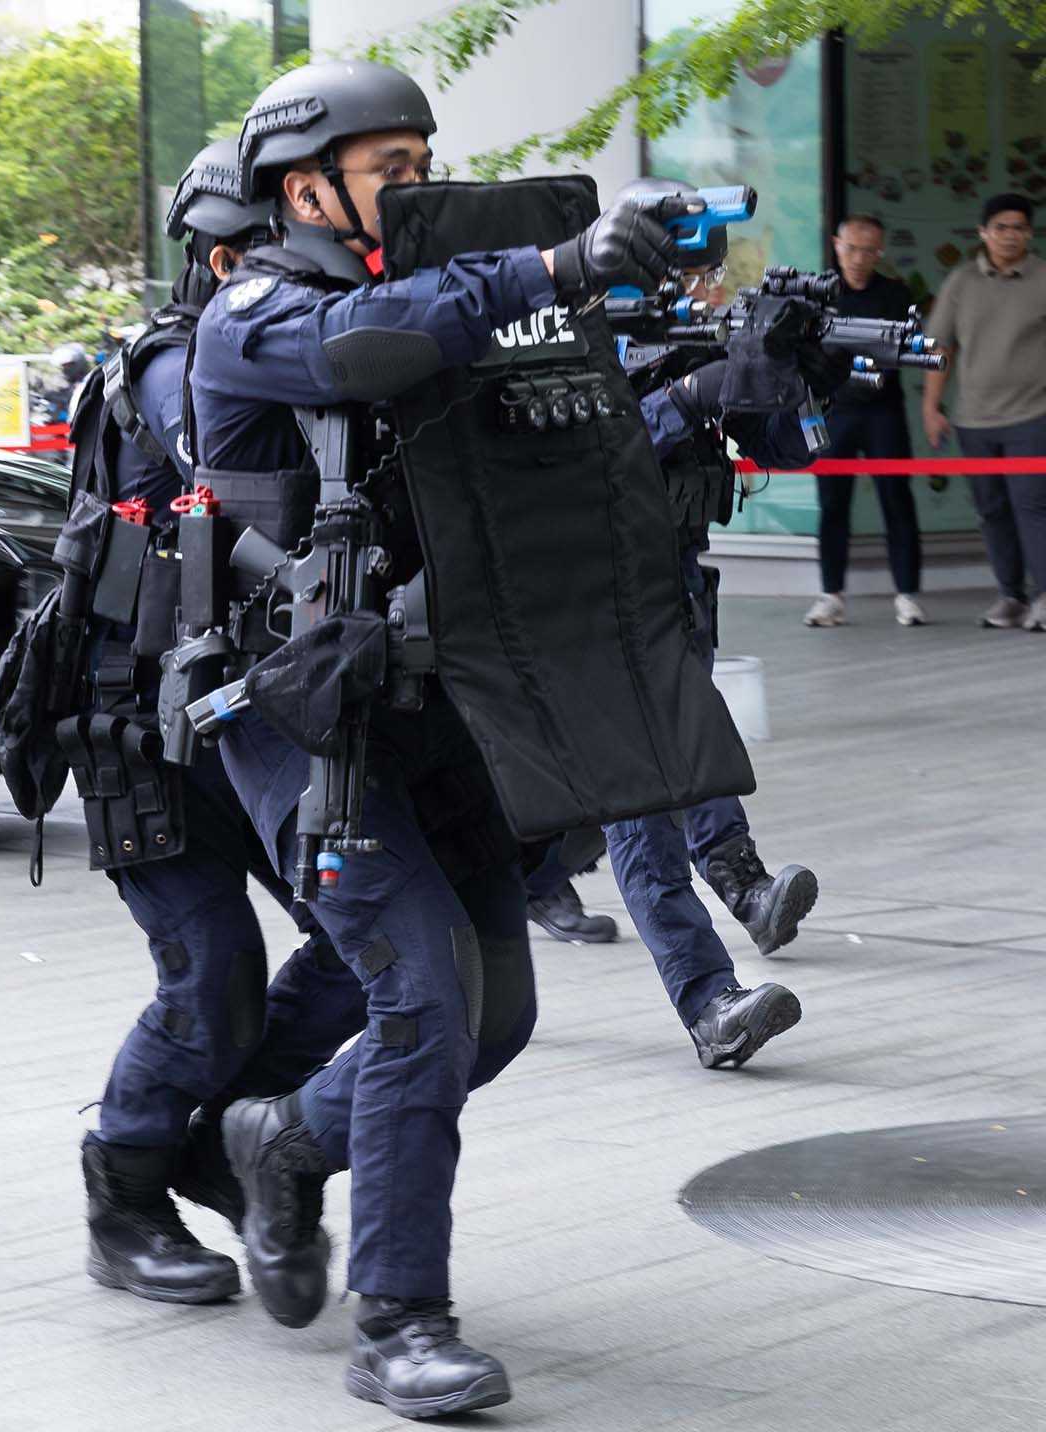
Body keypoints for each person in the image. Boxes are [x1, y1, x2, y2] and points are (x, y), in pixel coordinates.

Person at [187, 60, 692, 1419]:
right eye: (390, 170)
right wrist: (551, 264)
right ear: (305, 190)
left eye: (423, 161)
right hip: (301, 718)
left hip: (435, 705)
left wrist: (694, 357)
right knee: (419, 995)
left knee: (496, 1015)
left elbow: (567, 431)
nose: (419, 187)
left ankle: (282, 1142)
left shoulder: (443, 300)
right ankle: (401, 1322)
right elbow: (367, 345)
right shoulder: (253, 313)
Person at [67, 139, 366, 1307]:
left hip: (251, 707)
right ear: (212, 255)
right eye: (255, 250)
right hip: (137, 719)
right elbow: (217, 451)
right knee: (213, 977)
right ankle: (124, 1192)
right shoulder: (172, 361)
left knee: (361, 937)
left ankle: (229, 1139)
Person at [598, 175, 826, 1072]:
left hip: (676, 593)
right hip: (592, 608)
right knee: (639, 815)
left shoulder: (693, 343)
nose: (709, 293)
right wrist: (692, 392)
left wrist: (792, 376)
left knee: (692, 753)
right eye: (692, 279)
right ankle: (708, 1002)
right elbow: (591, 453)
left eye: (714, 277)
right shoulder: (576, 342)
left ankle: (746, 888)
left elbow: (790, 450)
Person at [923, 193, 1046, 631]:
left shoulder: (1043, 277)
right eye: (1001, 227)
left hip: (1033, 415)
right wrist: (931, 406)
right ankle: (1011, 597)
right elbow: (940, 347)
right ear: (983, 232)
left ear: (1029, 233)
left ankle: (1045, 596)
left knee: (1033, 506)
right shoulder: (961, 282)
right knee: (991, 511)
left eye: (1018, 228)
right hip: (973, 420)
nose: (1010, 235)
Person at [806, 214, 925, 628]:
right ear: (837, 245)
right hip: (833, 411)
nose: (858, 259)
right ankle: (831, 596)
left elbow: (905, 349)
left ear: (880, 252)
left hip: (882, 410)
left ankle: (908, 595)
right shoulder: (819, 294)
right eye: (852, 248)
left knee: (897, 499)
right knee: (832, 504)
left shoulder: (895, 294)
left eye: (869, 251)